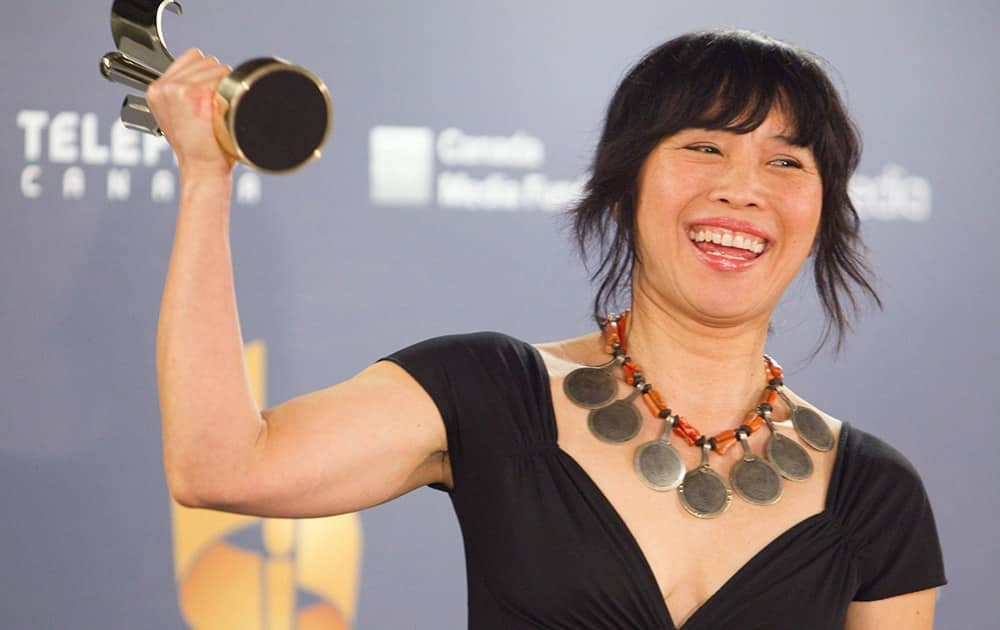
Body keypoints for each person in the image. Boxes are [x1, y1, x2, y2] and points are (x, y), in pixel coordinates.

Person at [150, 28, 945, 629]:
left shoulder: (875, 494)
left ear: (822, 212)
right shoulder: (488, 392)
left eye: (786, 162)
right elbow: (220, 464)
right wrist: (205, 177)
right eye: (703, 146)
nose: (743, 190)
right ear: (624, 183)